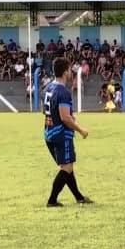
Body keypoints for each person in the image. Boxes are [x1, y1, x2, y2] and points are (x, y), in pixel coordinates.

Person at [43, 57, 91, 207]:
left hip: (49, 132)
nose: (71, 72)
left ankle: (79, 197)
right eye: (69, 70)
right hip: (61, 134)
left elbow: (50, 111)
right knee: (67, 168)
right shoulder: (63, 92)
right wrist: (80, 129)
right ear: (65, 72)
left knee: (67, 166)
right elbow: (65, 117)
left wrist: (71, 118)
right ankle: (52, 200)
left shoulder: (49, 88)